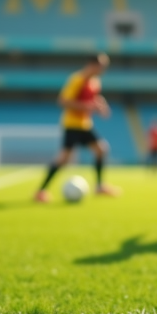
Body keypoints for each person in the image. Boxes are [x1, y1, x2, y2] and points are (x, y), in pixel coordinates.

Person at [35, 53, 121, 202]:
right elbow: (63, 101)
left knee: (101, 150)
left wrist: (101, 105)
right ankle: (41, 192)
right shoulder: (77, 79)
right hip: (72, 124)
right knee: (64, 159)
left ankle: (99, 186)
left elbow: (93, 98)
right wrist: (87, 106)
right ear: (92, 64)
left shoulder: (95, 82)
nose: (103, 69)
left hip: (85, 124)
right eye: (102, 66)